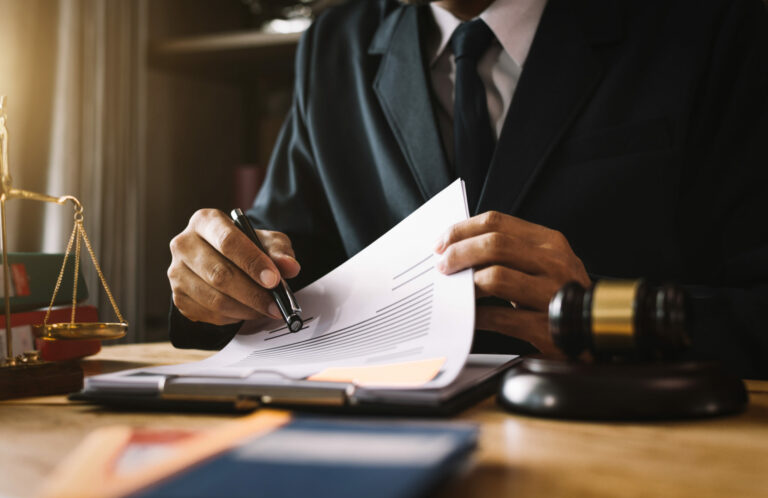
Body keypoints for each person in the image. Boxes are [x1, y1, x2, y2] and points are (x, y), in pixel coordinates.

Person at [167, 0, 768, 378]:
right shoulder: (335, 44)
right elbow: (284, 267)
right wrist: (220, 281)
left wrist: (598, 318)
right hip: (385, 447)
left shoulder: (711, 23)